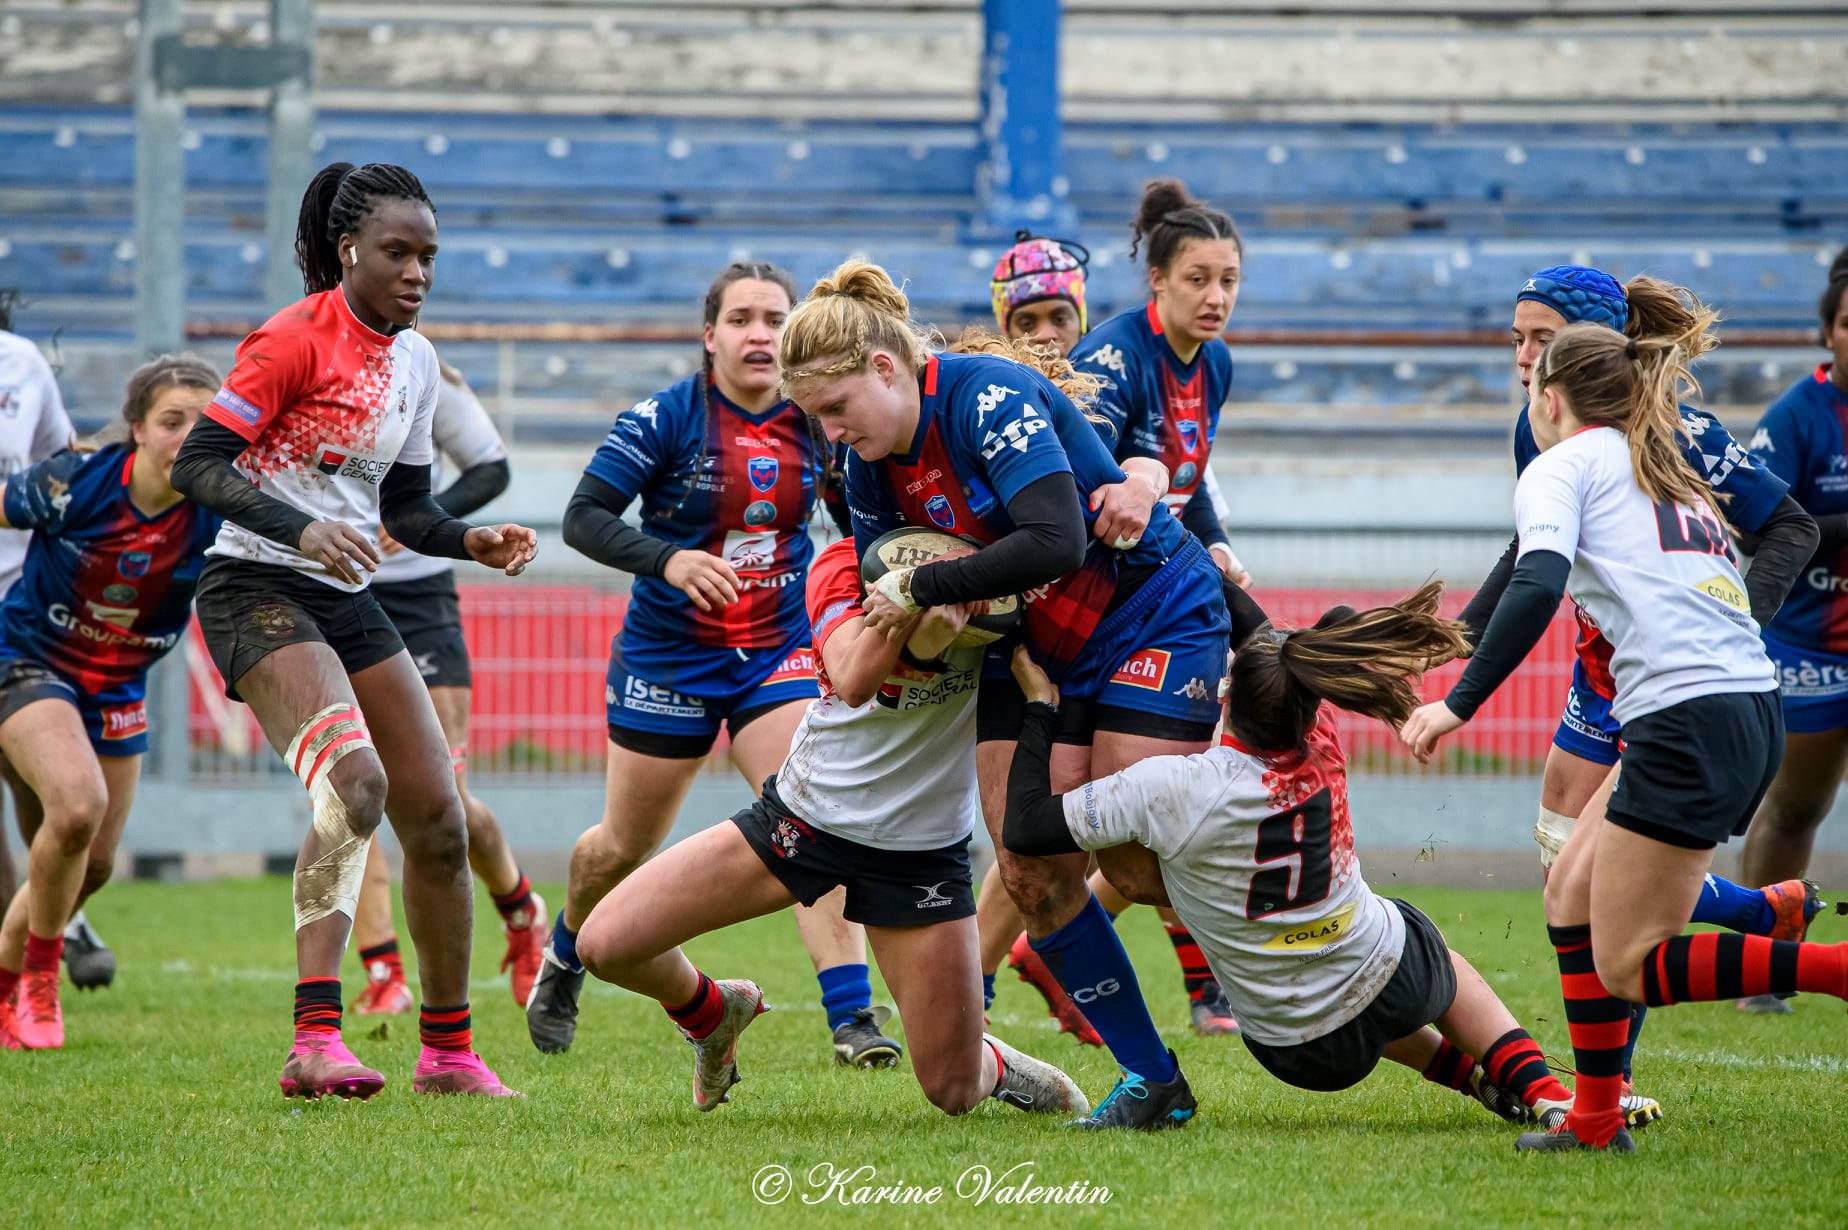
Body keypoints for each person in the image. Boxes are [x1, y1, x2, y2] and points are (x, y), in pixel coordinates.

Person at [779, 258, 1231, 1129]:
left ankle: (1327, 931)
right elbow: (909, 601)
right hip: (1027, 648)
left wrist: (923, 591)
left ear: (885, 368)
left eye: (835, 407)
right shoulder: (868, 470)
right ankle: (1154, 1081)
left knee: (1137, 865)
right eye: (814, 418)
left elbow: (1057, 540)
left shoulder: (985, 397)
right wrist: (917, 623)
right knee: (1029, 871)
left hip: (1143, 615)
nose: (829, 432)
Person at [1400, 315, 1848, 1155]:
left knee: (1631, 962)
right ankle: (1597, 1121)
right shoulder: (1658, 463)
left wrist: (1456, 703)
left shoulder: (1561, 464)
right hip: (1740, 705)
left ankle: (1836, 969)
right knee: (1569, 896)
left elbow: (1535, 584)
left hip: (1691, 718)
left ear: (1551, 399)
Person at [171, 161, 538, 1099]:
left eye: (428, 256)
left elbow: (407, 509)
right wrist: (301, 528)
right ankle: (314, 1042)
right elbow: (198, 463)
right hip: (255, 585)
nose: (417, 272)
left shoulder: (416, 361)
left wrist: (468, 539)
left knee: (441, 822)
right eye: (397, 252)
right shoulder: (291, 339)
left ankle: (447, 1056)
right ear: (348, 251)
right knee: (356, 786)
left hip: (342, 594)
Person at [1002, 590, 1581, 1127]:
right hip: (1391, 976)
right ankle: (1545, 1091)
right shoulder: (1322, 739)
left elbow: (1026, 827)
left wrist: (1040, 708)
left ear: (1224, 697)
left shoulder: (1173, 788)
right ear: (1311, 699)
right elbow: (1271, 642)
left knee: (1344, 986)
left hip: (1295, 1047)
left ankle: (1469, 1077)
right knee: (1416, 950)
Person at [570, 533, 1088, 1120]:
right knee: (605, 945)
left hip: (919, 852)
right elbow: (852, 679)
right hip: (803, 818)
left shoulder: (1010, 563)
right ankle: (712, 1012)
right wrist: (922, 628)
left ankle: (989, 1061)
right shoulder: (842, 563)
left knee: (954, 1090)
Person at [529, 261, 889, 1066]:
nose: (759, 334)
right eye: (741, 319)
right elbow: (583, 518)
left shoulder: (817, 419)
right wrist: (668, 559)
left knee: (813, 815)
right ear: (709, 335)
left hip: (777, 653)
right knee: (621, 846)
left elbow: (860, 521)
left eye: (774, 319)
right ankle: (566, 951)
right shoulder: (666, 418)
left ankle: (853, 1019)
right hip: (670, 658)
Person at [1460, 267, 1821, 1063]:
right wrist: (1461, 633)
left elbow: (1793, 527)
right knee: (1565, 860)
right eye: (1517, 337)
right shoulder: (1538, 425)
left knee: (1610, 899)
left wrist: (1735, 624)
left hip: (1669, 678)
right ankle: (1755, 915)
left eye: (1543, 339)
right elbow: (1534, 546)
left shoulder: (1681, 432)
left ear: (1598, 347)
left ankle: (1612, 1081)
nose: (1523, 356)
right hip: (1605, 671)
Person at [977, 231, 1240, 1039]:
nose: (1046, 337)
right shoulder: (1106, 366)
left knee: (1127, 821)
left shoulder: (1211, 364)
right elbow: (1124, 481)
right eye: (1026, 321)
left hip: (1139, 608)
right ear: (1157, 281)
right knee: (1063, 838)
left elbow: (1177, 478)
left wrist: (1214, 541)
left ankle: (1197, 987)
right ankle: (979, 981)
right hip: (1077, 621)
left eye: (1228, 278)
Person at [0, 354, 220, 1049]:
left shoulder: (224, 511)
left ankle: (6, 982)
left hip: (120, 685)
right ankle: (38, 984)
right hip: (26, 661)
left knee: (92, 863)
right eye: (171, 421)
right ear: (138, 429)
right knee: (75, 806)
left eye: (204, 424)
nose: (187, 437)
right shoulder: (74, 483)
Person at [343, 360, 546, 1015]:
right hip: (333, 593)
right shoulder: (306, 368)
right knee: (349, 793)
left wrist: (412, 520)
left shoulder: (426, 375)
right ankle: (383, 973)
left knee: (444, 797)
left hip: (420, 597)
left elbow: (491, 468)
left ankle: (521, 912)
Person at [1740, 248, 1848, 949]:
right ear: (1828, 332)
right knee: (1795, 809)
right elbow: (1756, 531)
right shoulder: (1797, 416)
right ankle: (1763, 964)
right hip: (1813, 650)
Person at [0, 294, 77, 970]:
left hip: (16, 599)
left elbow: (62, 469)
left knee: (37, 784)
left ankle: (56, 905)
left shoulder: (21, 362)